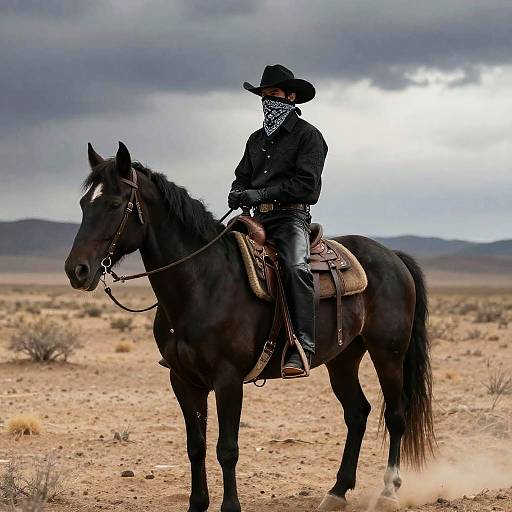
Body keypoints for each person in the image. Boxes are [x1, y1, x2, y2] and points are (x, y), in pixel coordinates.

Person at [228, 64, 328, 377]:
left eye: (273, 94)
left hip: (290, 218)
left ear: (291, 96)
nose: (267, 100)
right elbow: (242, 176)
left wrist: (262, 194)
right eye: (263, 95)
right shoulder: (255, 139)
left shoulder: (309, 136)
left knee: (296, 268)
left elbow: (307, 186)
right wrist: (238, 193)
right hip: (255, 219)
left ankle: (302, 347)